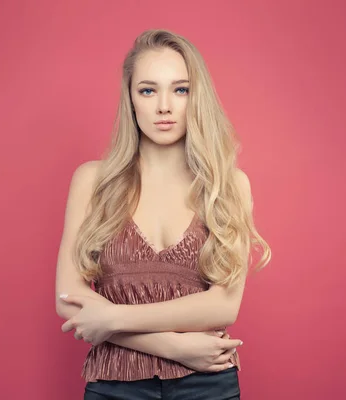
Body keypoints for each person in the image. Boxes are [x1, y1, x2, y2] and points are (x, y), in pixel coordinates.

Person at [55, 29, 271, 400]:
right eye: (148, 90)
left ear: (196, 97)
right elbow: (69, 299)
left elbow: (222, 306)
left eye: (180, 89)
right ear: (131, 99)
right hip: (115, 385)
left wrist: (112, 319)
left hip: (208, 385)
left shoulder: (228, 184)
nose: (164, 106)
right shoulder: (92, 180)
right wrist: (174, 347)